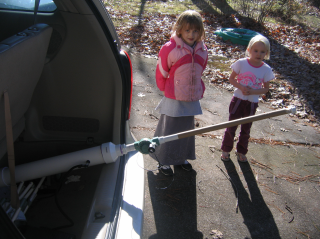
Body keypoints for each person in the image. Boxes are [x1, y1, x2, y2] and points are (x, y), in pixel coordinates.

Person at [150, 10, 208, 176]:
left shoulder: (202, 50)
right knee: (170, 128)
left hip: (191, 96)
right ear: (180, 29)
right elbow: (162, 70)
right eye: (188, 30)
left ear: (200, 31)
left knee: (187, 129)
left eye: (196, 31)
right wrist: (164, 89)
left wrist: (198, 87)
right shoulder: (170, 48)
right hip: (174, 95)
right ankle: (164, 159)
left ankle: (181, 157)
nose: (192, 34)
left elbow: (201, 69)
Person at [220, 34, 275, 163]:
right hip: (238, 100)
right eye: (255, 50)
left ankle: (241, 151)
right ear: (249, 50)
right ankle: (226, 149)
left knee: (246, 128)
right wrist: (241, 87)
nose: (258, 54)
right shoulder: (242, 63)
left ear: (266, 53)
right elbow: (231, 79)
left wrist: (254, 91)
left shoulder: (266, 70)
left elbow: (266, 89)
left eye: (262, 52)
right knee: (231, 126)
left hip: (251, 103)